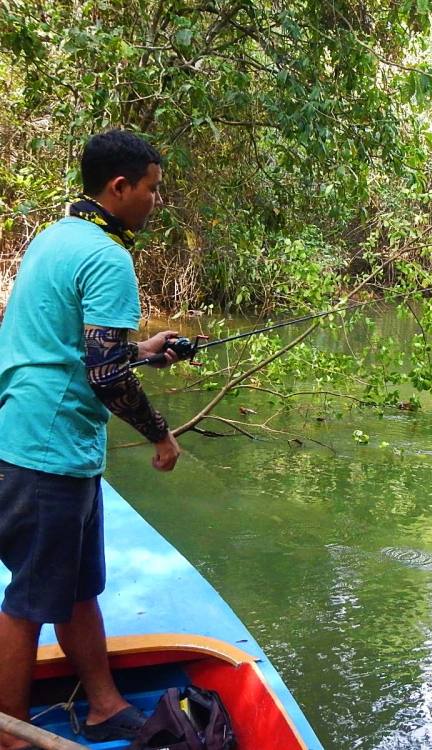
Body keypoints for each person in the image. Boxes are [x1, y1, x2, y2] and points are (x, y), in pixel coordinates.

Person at [0, 130, 183, 748]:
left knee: (78, 587)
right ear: (120, 187)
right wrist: (161, 435)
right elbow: (105, 374)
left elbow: (78, 351)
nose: (156, 200)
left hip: (38, 436)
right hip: (48, 447)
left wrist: (142, 352)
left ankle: (104, 704)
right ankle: (10, 734)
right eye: (153, 189)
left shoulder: (54, 237)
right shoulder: (108, 257)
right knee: (28, 599)